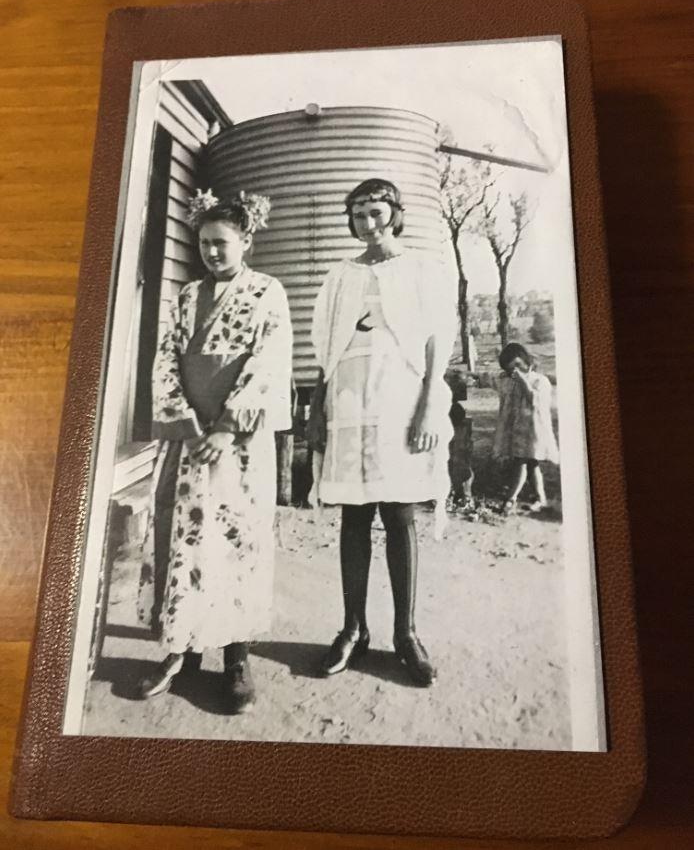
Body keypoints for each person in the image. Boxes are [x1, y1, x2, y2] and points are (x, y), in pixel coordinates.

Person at [136, 189, 292, 713]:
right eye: (204, 243)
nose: (212, 252)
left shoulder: (268, 292)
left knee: (237, 541)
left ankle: (236, 657)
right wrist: (189, 424)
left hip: (237, 444)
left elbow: (268, 364)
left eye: (222, 243)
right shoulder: (186, 295)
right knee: (185, 538)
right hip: (190, 439)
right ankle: (180, 649)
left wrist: (227, 427)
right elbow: (165, 361)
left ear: (245, 241)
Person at [308, 178, 456, 687]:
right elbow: (324, 347)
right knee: (354, 515)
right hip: (349, 402)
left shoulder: (421, 269)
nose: (368, 224)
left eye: (376, 213)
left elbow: (437, 339)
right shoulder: (340, 276)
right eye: (359, 215)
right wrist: (316, 408)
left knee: (398, 514)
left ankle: (406, 634)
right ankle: (353, 629)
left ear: (394, 214)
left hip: (401, 401)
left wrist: (429, 408)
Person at [492, 342, 559, 514]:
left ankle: (511, 498)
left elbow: (535, 400)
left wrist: (522, 381)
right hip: (517, 431)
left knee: (521, 462)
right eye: (510, 369)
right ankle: (540, 497)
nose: (515, 372)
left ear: (527, 362)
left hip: (533, 431)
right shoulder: (509, 381)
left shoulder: (540, 381)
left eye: (518, 366)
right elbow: (496, 384)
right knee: (531, 465)